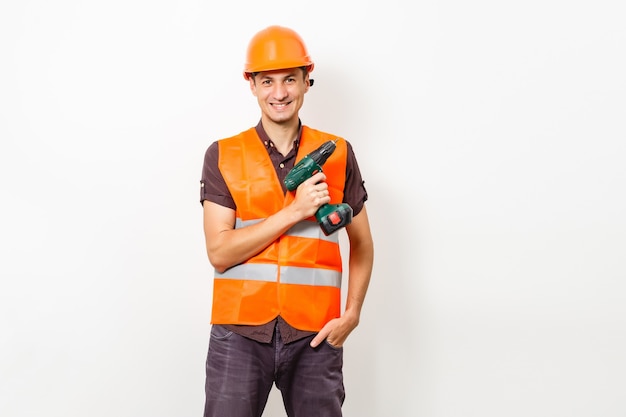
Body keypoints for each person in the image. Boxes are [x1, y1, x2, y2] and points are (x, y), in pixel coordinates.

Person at [199, 25, 374, 417]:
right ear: (252, 85)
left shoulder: (338, 153)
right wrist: (294, 212)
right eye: (268, 81)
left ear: (306, 81)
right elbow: (219, 251)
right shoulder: (224, 155)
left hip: (315, 336)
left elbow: (362, 243)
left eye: (290, 80)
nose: (279, 93)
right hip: (239, 333)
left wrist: (352, 314)